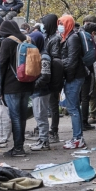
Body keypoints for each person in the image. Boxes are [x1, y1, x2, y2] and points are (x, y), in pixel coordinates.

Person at [0, 20, 36, 156]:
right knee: (21, 117)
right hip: (27, 83)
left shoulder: (7, 42)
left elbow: (1, 65)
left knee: (15, 116)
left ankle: (18, 148)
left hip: (11, 84)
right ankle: (20, 146)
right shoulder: (28, 38)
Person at [58, 14, 87, 149]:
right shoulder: (68, 37)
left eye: (62, 24)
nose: (60, 26)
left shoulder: (72, 38)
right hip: (74, 75)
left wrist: (67, 77)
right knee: (75, 107)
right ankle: (78, 136)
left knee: (72, 108)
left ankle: (77, 138)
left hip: (74, 76)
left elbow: (72, 60)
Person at [41, 14, 63, 143]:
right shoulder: (49, 37)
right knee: (50, 105)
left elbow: (55, 57)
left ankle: (54, 131)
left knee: (53, 105)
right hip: (50, 74)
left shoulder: (54, 39)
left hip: (53, 76)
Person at [28, 31, 52, 151]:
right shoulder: (38, 54)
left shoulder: (44, 56)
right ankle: (42, 139)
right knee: (38, 116)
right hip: (37, 91)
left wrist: (33, 86)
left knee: (41, 116)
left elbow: (45, 76)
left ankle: (44, 141)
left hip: (41, 91)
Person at [80, 23, 96, 132]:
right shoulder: (88, 39)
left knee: (79, 98)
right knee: (85, 97)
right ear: (92, 32)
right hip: (86, 71)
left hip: (77, 72)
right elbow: (93, 56)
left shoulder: (79, 36)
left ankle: (79, 122)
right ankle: (84, 122)